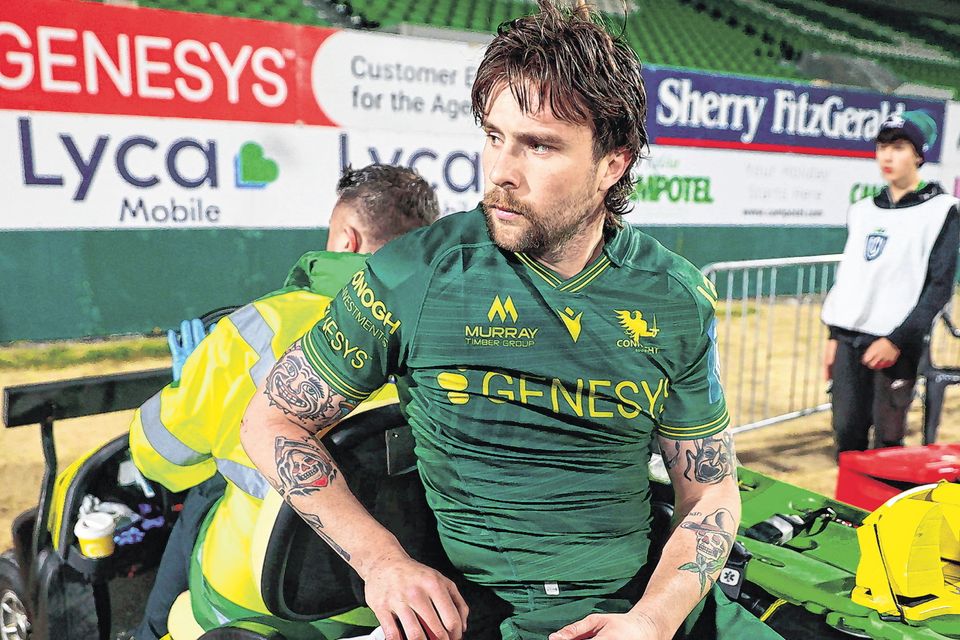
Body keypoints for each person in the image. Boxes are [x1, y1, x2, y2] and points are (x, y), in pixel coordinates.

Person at [240, 3, 782, 639]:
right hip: (469, 622)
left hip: (640, 614)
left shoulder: (674, 297)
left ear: (613, 164)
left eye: (540, 146)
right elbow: (271, 419)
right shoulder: (414, 272)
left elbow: (710, 493)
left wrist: (654, 620)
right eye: (495, 136)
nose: (501, 172)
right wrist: (381, 562)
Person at [126, 164, 440, 640]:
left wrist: (190, 386)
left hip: (251, 597)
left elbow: (162, 459)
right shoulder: (449, 333)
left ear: (348, 238)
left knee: (201, 502)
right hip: (394, 595)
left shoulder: (258, 326)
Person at [822, 111, 960, 457]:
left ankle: (883, 510)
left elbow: (939, 287)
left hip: (898, 344)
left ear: (918, 154)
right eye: (882, 146)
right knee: (846, 434)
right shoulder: (862, 210)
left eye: (898, 147)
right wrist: (834, 338)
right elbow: (851, 280)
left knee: (887, 442)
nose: (887, 155)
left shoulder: (943, 210)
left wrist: (895, 340)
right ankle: (847, 511)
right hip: (850, 341)